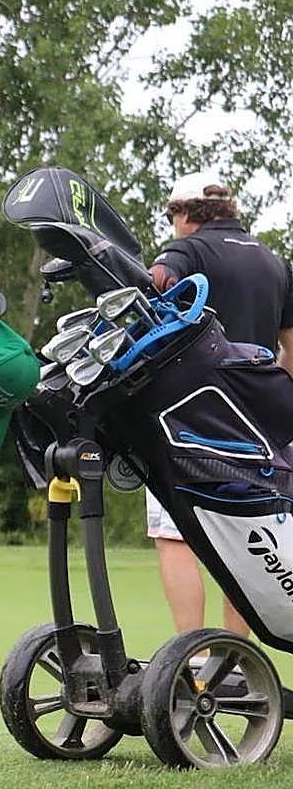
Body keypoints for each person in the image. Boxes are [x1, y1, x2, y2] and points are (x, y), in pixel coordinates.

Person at [147, 170, 293, 636]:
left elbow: (151, 293)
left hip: (190, 417)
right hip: (258, 426)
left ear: (187, 212)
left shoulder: (187, 250)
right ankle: (235, 660)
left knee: (174, 536)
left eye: (173, 214)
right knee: (246, 535)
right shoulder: (274, 262)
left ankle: (193, 658)